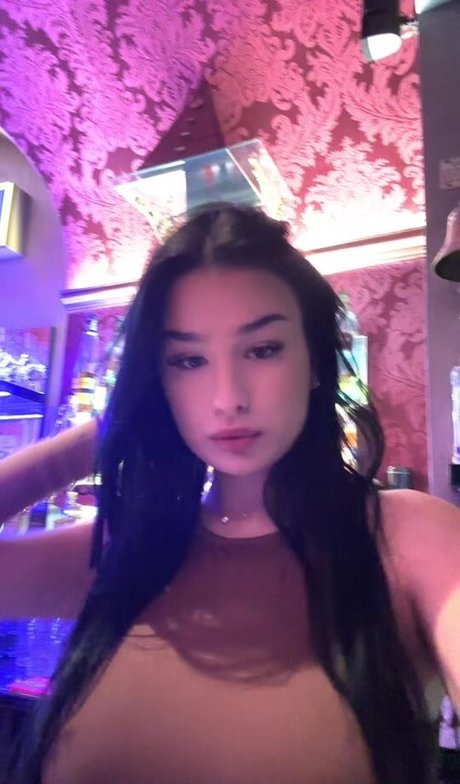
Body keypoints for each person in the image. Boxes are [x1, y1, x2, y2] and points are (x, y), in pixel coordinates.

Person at [0, 202, 459, 784]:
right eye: (188, 360)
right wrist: (105, 433)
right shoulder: (127, 548)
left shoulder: (409, 538)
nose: (227, 398)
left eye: (262, 349)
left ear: (317, 361)